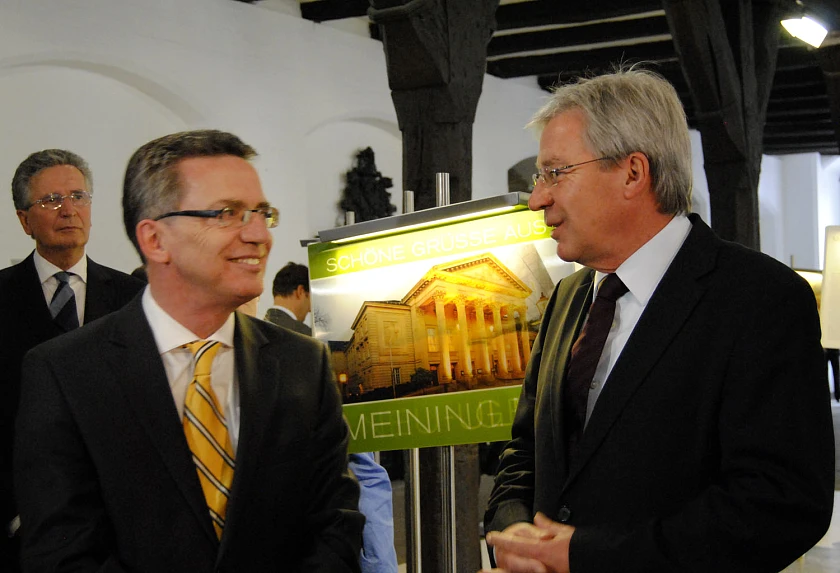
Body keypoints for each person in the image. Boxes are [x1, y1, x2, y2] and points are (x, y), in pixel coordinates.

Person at [482, 69, 835, 573]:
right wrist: (517, 533)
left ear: (632, 173)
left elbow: (782, 504)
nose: (538, 197)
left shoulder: (760, 300)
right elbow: (525, 450)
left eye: (556, 173)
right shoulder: (568, 297)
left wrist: (588, 555)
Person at [14, 130, 363, 572]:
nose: (259, 234)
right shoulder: (66, 372)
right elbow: (62, 552)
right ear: (155, 240)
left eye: (262, 213)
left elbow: (335, 523)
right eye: (227, 213)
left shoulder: (300, 364)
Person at [0, 149, 144, 572]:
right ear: (24, 220)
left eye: (78, 196)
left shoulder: (131, 299)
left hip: (117, 530)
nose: (68, 210)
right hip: (20, 529)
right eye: (51, 200)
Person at [263, 263, 398, 573]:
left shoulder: (258, 332)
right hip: (327, 436)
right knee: (370, 478)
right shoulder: (305, 341)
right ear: (300, 292)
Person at [264, 262, 312, 335]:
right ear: (300, 291)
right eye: (309, 300)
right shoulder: (307, 336)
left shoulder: (252, 329)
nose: (310, 310)